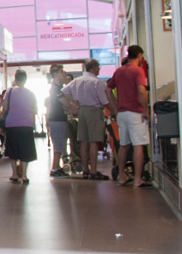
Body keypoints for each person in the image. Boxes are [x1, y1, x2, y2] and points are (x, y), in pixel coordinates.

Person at [106, 45, 154, 189]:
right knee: (138, 145)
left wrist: (115, 109)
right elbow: (141, 90)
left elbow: (108, 90)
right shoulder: (138, 70)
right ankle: (138, 180)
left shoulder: (119, 71)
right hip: (136, 112)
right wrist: (146, 110)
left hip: (122, 113)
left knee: (124, 145)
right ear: (139, 55)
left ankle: (122, 176)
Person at [62, 59, 117, 180]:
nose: (99, 69)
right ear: (93, 68)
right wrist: (114, 111)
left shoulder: (77, 80)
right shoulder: (96, 82)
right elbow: (104, 101)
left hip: (82, 111)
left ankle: (85, 170)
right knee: (94, 141)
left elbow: (64, 90)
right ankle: (93, 171)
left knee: (83, 141)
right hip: (94, 111)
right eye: (98, 67)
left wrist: (74, 101)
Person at [0, 69, 37, 183]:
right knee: (25, 149)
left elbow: (4, 109)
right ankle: (24, 175)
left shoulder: (9, 92)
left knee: (13, 149)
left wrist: (0, 123)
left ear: (15, 79)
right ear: (25, 79)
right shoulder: (30, 93)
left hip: (12, 124)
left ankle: (15, 174)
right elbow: (34, 110)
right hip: (26, 124)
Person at [46, 65, 70, 178]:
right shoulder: (55, 89)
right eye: (61, 72)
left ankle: (57, 167)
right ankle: (55, 168)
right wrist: (71, 106)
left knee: (60, 143)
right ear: (55, 74)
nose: (64, 73)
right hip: (57, 119)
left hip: (59, 119)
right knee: (59, 143)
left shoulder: (59, 87)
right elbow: (65, 103)